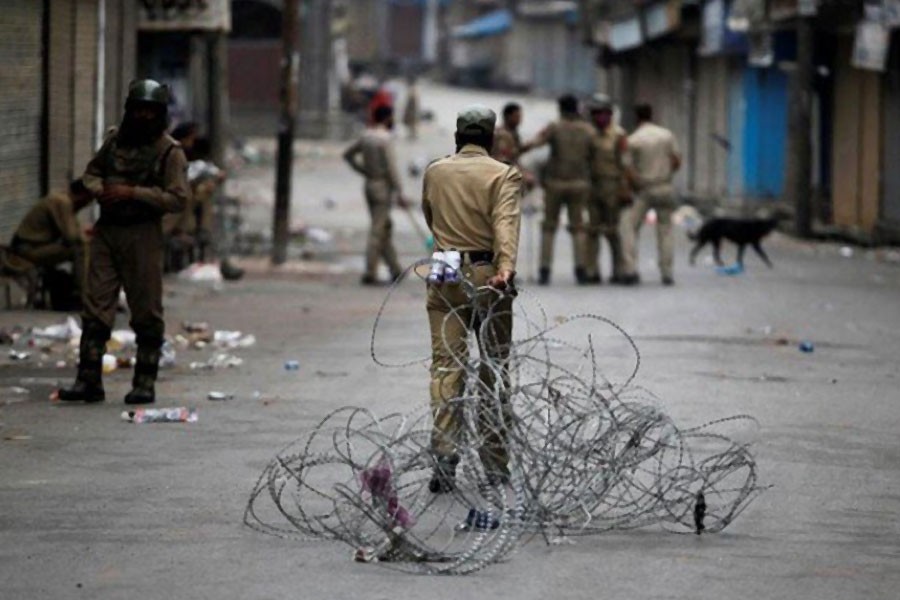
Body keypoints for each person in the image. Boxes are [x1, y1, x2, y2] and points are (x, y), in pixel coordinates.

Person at [58, 79, 190, 404]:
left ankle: (144, 382)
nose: (143, 117)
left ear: (159, 114)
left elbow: (177, 198)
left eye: (150, 111)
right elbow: (91, 173)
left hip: (142, 234)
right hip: (107, 231)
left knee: (145, 309)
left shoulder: (169, 152)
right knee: (96, 307)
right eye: (138, 110)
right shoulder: (115, 141)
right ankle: (88, 380)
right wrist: (100, 189)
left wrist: (133, 193)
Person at [421, 105, 522, 492]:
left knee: (447, 366)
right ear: (491, 139)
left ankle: (445, 456)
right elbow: (505, 224)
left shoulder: (435, 171)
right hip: (487, 272)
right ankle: (495, 465)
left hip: (444, 267)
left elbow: (430, 216)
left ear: (458, 137)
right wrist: (506, 268)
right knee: (493, 369)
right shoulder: (503, 174)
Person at [521, 94, 594, 285]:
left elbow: (536, 142)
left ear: (560, 108)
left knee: (549, 227)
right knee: (578, 227)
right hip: (580, 183)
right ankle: (581, 269)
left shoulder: (554, 127)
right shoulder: (587, 130)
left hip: (555, 183)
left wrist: (518, 149)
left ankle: (545, 269)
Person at [343, 105, 407, 285]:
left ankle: (395, 269)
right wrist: (399, 191)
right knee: (378, 230)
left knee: (384, 226)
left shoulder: (366, 136)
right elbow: (391, 168)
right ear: (387, 119)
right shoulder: (385, 139)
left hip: (369, 184)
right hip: (382, 187)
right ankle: (370, 271)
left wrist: (364, 170)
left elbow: (347, 155)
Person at [619, 104, 681, 286]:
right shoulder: (666, 135)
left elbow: (627, 169)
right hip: (665, 187)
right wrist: (666, 173)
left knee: (628, 226)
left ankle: (630, 269)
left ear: (636, 118)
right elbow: (677, 160)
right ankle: (667, 272)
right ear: (651, 115)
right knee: (666, 230)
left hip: (644, 190)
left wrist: (634, 185)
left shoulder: (633, 140)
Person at [8, 179, 93, 306]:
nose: (89, 203)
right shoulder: (62, 202)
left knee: (84, 246)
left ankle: (84, 292)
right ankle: (85, 295)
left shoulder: (64, 201)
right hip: (27, 250)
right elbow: (71, 237)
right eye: (90, 199)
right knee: (79, 248)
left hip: (35, 247)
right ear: (83, 195)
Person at [586, 95, 628, 284]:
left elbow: (625, 164)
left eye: (603, 113)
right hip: (592, 186)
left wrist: (624, 188)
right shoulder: (588, 134)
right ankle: (592, 271)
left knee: (613, 231)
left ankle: (619, 270)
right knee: (593, 230)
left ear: (610, 115)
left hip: (612, 185)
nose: (599, 117)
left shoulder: (619, 135)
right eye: (595, 113)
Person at [402, 76, 419, 140]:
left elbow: (412, 102)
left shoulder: (412, 90)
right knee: (411, 123)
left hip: (412, 109)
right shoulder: (414, 90)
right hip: (412, 109)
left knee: (412, 123)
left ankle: (413, 135)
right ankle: (412, 135)